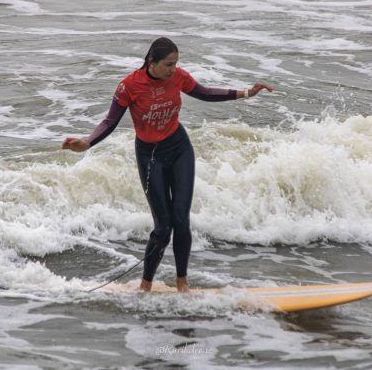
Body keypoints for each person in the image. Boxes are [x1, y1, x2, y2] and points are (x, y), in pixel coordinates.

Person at [62, 37, 273, 292]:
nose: (174, 69)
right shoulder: (129, 86)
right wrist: (87, 142)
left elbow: (203, 92)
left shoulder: (178, 77)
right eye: (169, 64)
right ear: (152, 63)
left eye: (176, 64)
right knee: (163, 229)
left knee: (181, 221)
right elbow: (110, 122)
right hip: (150, 156)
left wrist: (245, 93)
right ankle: (145, 285)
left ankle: (182, 283)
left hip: (179, 148)